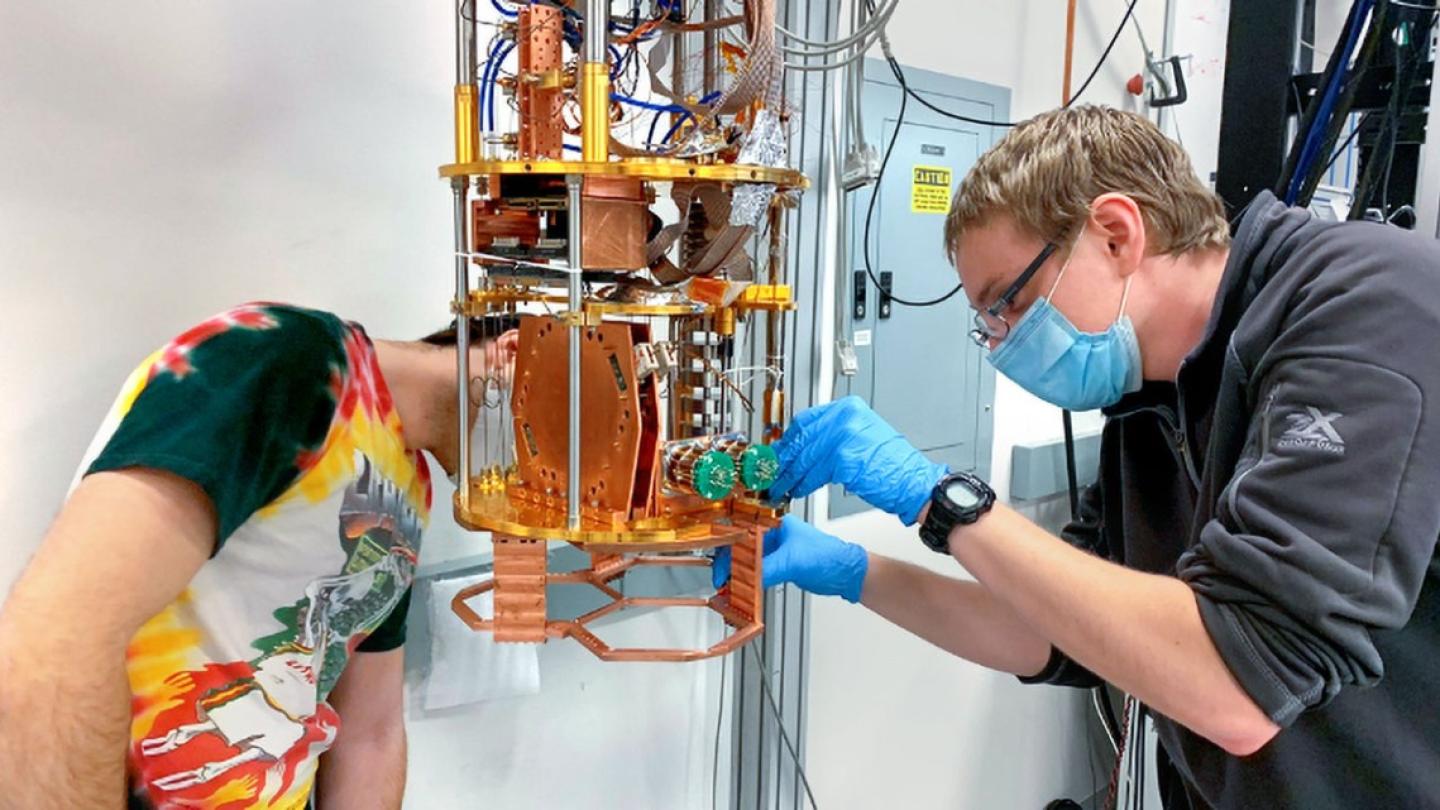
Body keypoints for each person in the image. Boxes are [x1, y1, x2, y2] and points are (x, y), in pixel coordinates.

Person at [730, 106, 1440, 808]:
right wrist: (853, 570)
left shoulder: (1364, 304)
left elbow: (1243, 683)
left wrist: (938, 498)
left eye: (1009, 301)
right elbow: (1056, 636)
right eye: (989, 325)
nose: (1003, 341)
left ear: (1115, 233)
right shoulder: (1149, 398)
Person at [0, 303, 517, 810]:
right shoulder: (290, 359)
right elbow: (57, 638)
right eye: (580, 460)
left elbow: (370, 733)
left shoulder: (408, 489)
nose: (565, 502)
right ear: (516, 357)